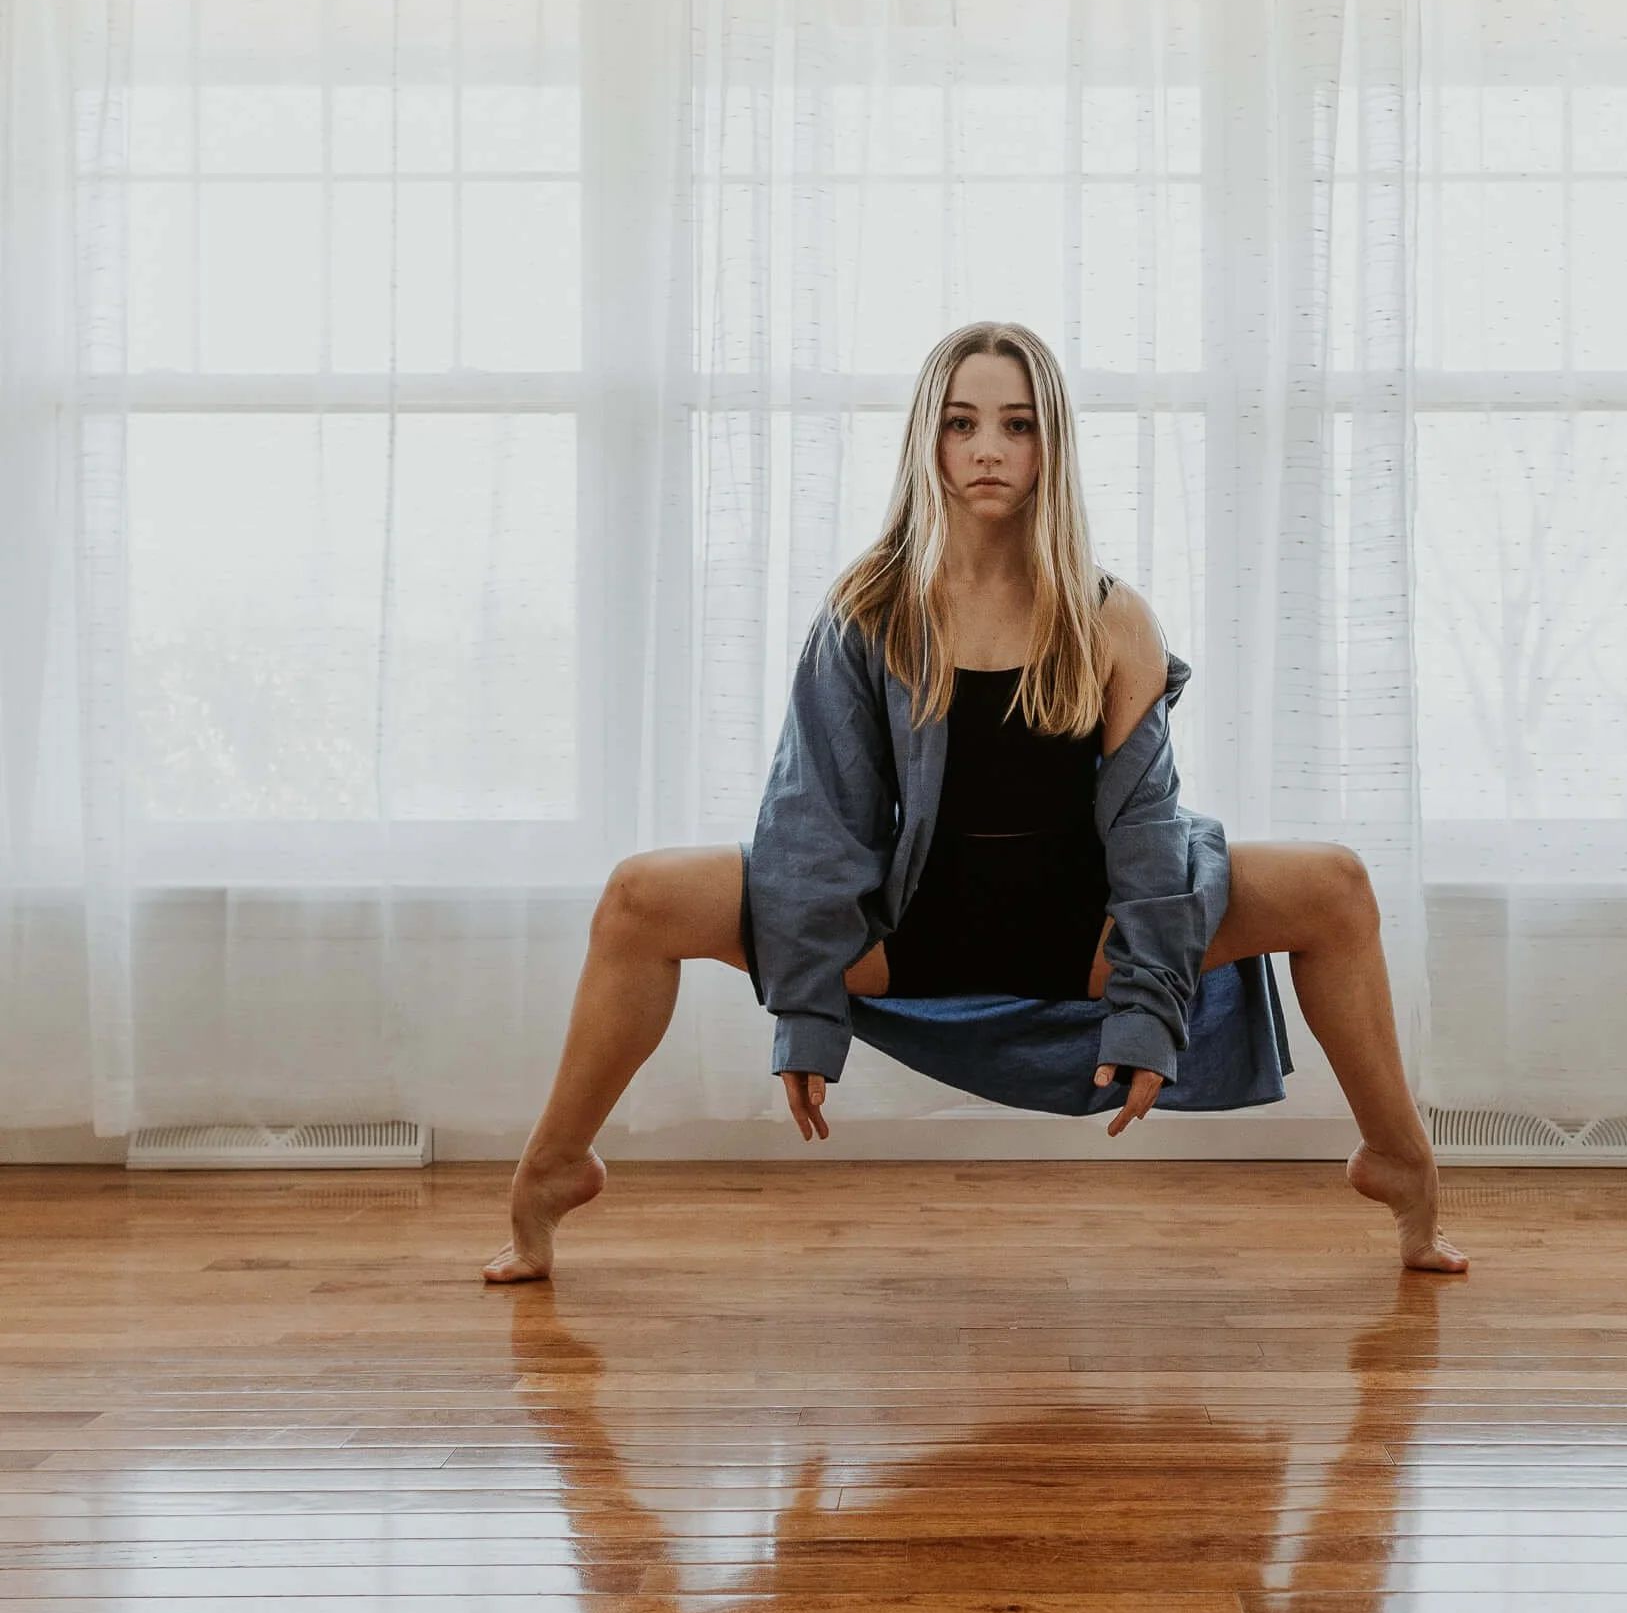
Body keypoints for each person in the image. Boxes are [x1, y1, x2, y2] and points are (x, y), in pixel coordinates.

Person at [484, 321, 1466, 1282]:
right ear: (928, 439)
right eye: (960, 424)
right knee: (637, 896)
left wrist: (1145, 1015)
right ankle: (553, 1169)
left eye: (1017, 424)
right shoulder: (867, 609)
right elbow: (810, 828)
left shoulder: (1109, 612)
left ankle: (1398, 1162)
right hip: (909, 933)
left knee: (1333, 884)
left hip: (1080, 938)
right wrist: (807, 1019)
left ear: (1050, 444)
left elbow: (1145, 836)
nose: (987, 449)